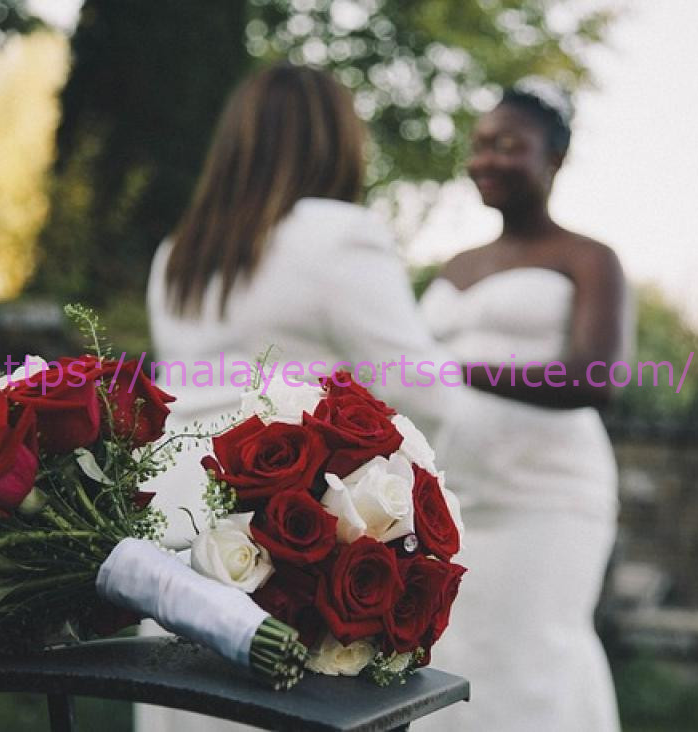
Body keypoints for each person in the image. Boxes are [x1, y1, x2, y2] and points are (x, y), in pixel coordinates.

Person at [138, 62, 470, 732]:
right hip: (288, 543)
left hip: (178, 535)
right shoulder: (339, 234)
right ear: (335, 142)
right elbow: (426, 393)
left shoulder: (178, 252)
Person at [412, 85, 629, 731]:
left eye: (511, 145)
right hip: (449, 498)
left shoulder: (588, 258)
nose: (489, 160)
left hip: (546, 495)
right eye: (481, 145)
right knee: (444, 660)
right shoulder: (455, 264)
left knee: (531, 659)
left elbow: (598, 378)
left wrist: (453, 371)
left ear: (554, 158)